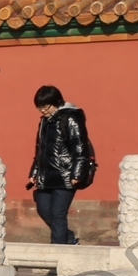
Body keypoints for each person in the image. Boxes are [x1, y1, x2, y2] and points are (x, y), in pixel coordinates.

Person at [26, 85, 94, 244]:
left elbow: (80, 147)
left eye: (45, 106)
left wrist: (77, 174)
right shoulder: (44, 121)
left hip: (65, 174)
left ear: (56, 102)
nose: (42, 110)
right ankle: (68, 238)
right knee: (43, 209)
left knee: (58, 214)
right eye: (39, 107)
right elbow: (40, 150)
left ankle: (58, 254)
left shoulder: (71, 117)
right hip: (46, 174)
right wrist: (34, 173)